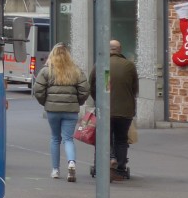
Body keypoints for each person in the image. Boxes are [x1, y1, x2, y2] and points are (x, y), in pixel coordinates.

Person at [33, 42, 90, 181]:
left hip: (53, 110)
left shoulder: (46, 71)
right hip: (70, 110)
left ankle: (55, 170)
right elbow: (85, 90)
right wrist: (78, 102)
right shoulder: (76, 71)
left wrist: (45, 102)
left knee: (55, 139)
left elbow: (38, 90)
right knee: (68, 139)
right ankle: (71, 163)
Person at [90, 39, 139, 180]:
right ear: (120, 50)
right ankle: (121, 167)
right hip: (125, 110)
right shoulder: (129, 66)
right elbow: (135, 88)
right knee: (122, 139)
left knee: (103, 138)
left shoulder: (101, 64)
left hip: (105, 109)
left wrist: (98, 99)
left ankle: (106, 161)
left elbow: (92, 85)